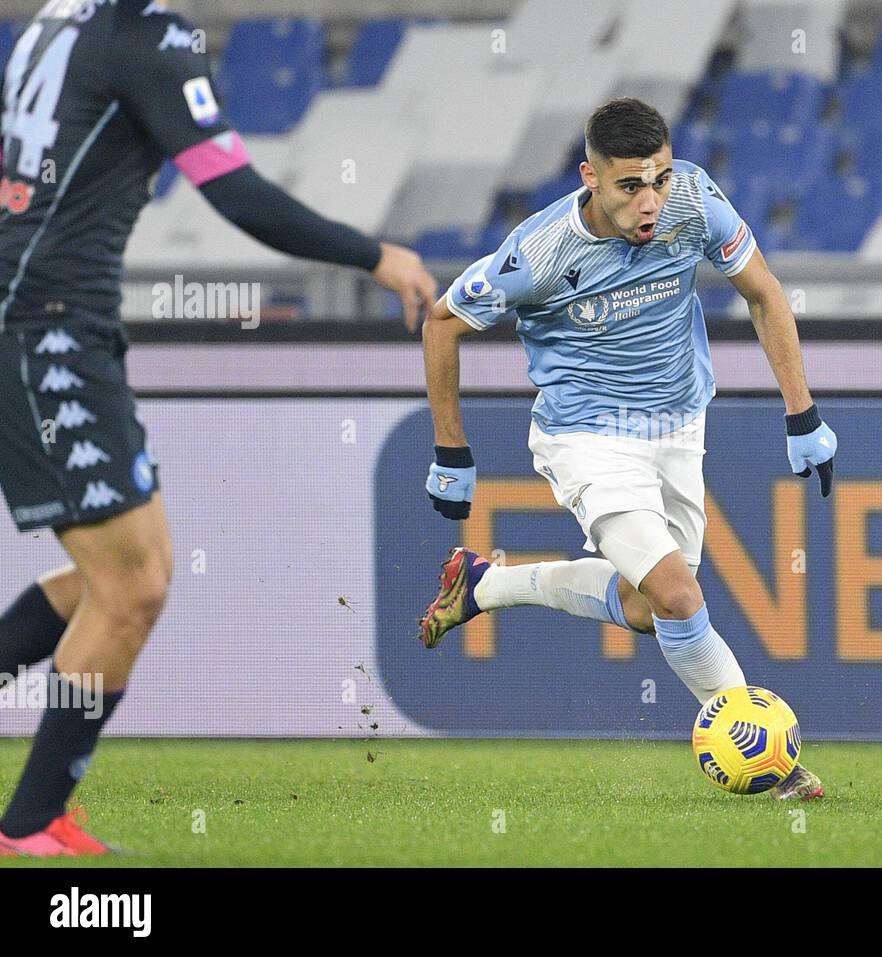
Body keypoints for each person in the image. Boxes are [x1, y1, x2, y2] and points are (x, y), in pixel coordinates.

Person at [0, 0, 437, 856]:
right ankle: (29, 825)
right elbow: (233, 191)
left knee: (131, 572)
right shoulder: (151, 35)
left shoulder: (54, 19)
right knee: (133, 588)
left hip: (43, 320)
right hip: (46, 329)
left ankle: (38, 818)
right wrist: (372, 253)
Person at [418, 98, 836, 800]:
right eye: (631, 186)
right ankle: (773, 765)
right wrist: (451, 452)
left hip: (678, 429)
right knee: (678, 593)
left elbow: (764, 294)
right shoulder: (538, 252)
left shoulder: (695, 200)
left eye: (661, 179)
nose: (652, 202)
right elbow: (441, 323)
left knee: (649, 609)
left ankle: (484, 584)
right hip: (586, 437)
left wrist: (803, 414)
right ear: (590, 177)